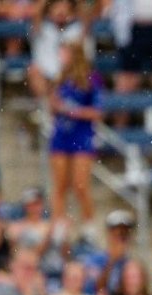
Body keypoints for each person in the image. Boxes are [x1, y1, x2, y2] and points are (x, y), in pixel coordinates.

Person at [49, 44, 100, 224]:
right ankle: (59, 226)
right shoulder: (60, 78)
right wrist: (54, 106)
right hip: (61, 135)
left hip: (82, 136)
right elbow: (53, 109)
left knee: (80, 186)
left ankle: (88, 225)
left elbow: (97, 112)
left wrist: (72, 111)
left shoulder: (91, 79)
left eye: (64, 52)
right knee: (60, 186)